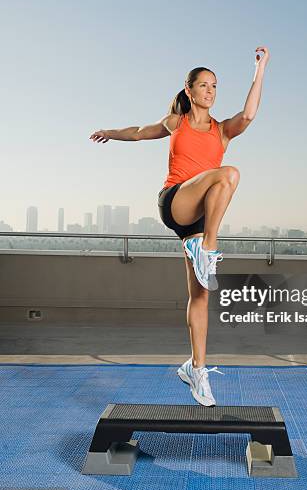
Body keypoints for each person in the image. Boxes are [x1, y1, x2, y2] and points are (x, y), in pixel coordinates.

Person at [90, 46, 270, 406]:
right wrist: (110, 131)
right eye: (204, 85)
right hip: (175, 201)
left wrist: (260, 68)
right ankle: (208, 249)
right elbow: (141, 131)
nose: (210, 91)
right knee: (229, 173)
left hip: (200, 218)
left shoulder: (222, 131)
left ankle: (196, 369)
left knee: (200, 296)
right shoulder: (178, 122)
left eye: (215, 86)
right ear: (189, 90)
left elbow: (249, 114)